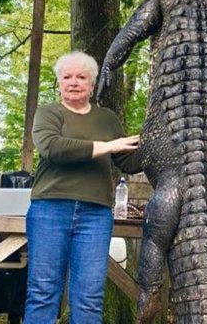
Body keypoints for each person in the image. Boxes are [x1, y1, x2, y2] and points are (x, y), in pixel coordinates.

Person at [24, 51, 142, 323]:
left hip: (96, 214)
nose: (74, 82)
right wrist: (108, 146)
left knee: (89, 297)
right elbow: (54, 148)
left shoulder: (107, 119)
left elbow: (126, 160)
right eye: (67, 77)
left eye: (81, 77)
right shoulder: (49, 113)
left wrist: (155, 144)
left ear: (92, 83)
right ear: (59, 82)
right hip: (50, 209)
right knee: (43, 292)